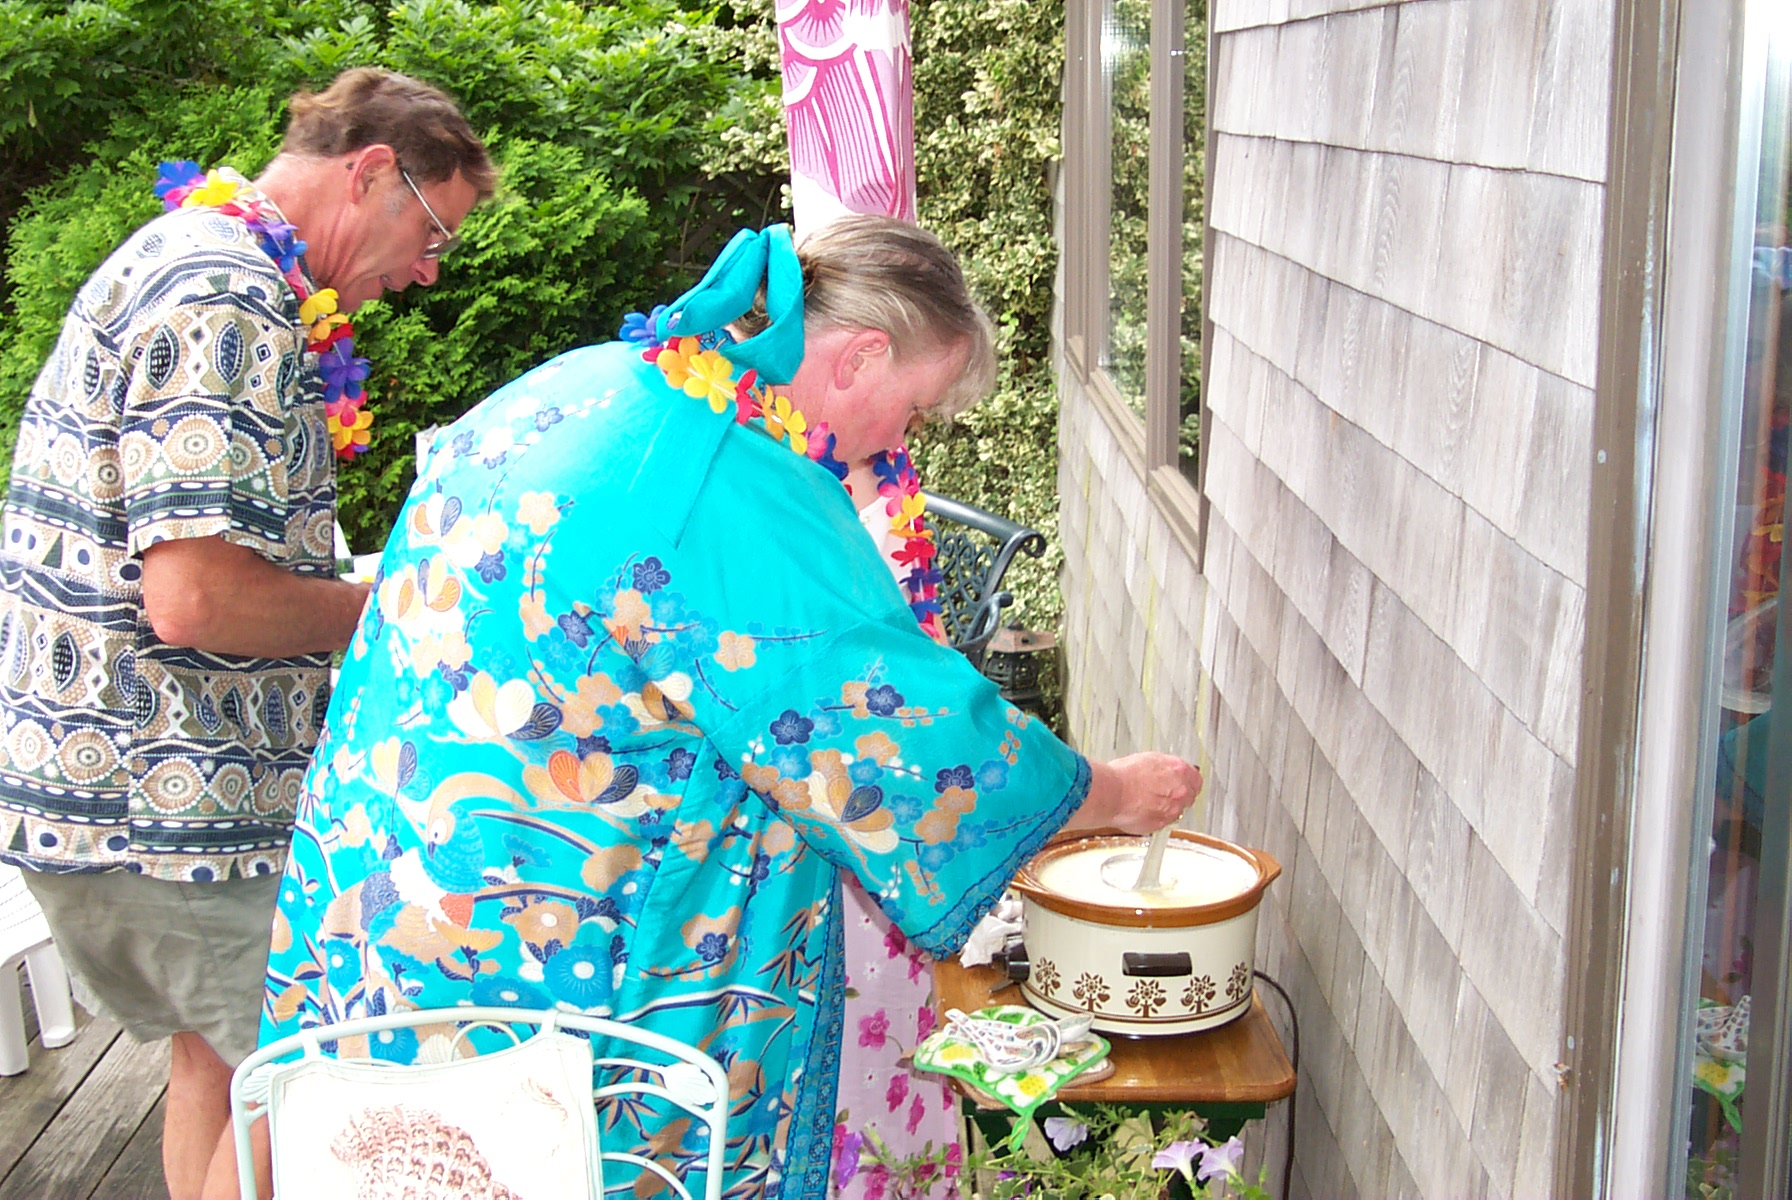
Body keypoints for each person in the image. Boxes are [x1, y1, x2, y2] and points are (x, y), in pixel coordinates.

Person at [247, 216, 1201, 1200]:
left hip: (372, 892)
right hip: (531, 955)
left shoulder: (588, 381)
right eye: (913, 411)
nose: (898, 442)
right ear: (860, 357)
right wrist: (1105, 791)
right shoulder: (732, 477)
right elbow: (884, 723)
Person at [0, 67, 493, 1200]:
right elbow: (196, 600)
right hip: (161, 805)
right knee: (306, 1083)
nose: (427, 270)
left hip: (137, 800)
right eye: (433, 232)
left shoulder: (205, 262)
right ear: (372, 172)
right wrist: (392, 611)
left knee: (221, 1070)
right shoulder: (223, 295)